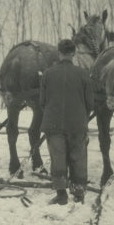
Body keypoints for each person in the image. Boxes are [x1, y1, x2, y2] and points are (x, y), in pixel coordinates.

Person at [39, 38, 93, 205]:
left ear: (59, 53)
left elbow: (42, 101)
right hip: (77, 124)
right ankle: (78, 193)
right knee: (78, 157)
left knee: (58, 157)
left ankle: (61, 194)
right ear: (73, 53)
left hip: (54, 124)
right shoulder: (83, 74)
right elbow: (90, 103)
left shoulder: (48, 74)